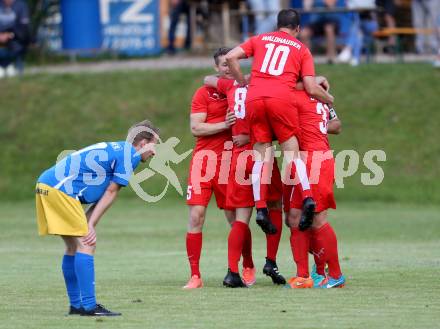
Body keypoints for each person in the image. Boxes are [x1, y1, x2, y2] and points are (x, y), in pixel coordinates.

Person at [225, 9, 334, 238]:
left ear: (277, 25)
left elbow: (230, 57)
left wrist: (242, 81)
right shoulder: (301, 49)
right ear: (297, 29)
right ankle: (308, 197)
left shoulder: (260, 39)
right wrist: (329, 99)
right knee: (292, 153)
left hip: (255, 97)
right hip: (281, 99)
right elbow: (312, 88)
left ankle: (261, 207)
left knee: (260, 155)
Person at [35, 120, 159, 316]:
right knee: (87, 244)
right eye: (155, 145)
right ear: (143, 143)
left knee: (73, 246)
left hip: (47, 185)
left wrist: (89, 222)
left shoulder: (120, 150)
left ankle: (77, 306)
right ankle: (90, 306)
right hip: (60, 191)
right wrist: (90, 224)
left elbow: (103, 194)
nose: (155, 152)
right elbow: (111, 192)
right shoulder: (131, 155)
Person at [204, 73, 286, 288]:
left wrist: (236, 80)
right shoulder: (265, 90)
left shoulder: (231, 86)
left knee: (241, 217)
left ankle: (232, 271)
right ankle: (271, 261)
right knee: (275, 204)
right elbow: (279, 130)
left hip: (239, 158)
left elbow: (208, 79)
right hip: (261, 153)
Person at [183, 47, 240, 289]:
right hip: (204, 162)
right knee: (196, 216)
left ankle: (244, 267)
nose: (228, 68)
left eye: (231, 63)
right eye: (223, 64)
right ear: (217, 68)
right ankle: (195, 276)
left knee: (235, 219)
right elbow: (196, 128)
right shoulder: (204, 93)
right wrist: (224, 124)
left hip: (232, 162)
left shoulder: (243, 91)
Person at [283, 82, 345, 289]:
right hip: (301, 160)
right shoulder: (318, 93)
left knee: (317, 219)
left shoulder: (293, 96)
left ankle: (335, 275)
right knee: (295, 217)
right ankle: (303, 276)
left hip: (314, 160)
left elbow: (337, 125)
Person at [337, 0, 378, 66]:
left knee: (356, 28)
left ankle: (348, 50)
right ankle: (355, 59)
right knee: (358, 33)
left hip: (371, 25)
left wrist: (357, 6)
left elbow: (369, 5)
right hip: (359, 25)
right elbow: (349, 6)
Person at [0, 0, 30, 77]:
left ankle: (10, 65)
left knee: (17, 45)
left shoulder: (21, 5)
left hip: (15, 38)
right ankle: (5, 66)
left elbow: (24, 27)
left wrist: (10, 35)